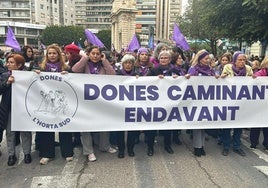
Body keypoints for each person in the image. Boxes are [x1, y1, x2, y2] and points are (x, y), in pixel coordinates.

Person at [72, 46, 117, 162]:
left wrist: (105, 61)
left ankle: (104, 146)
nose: (96, 56)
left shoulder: (103, 65)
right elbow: (74, 70)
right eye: (93, 53)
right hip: (85, 101)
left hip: (101, 101)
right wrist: (84, 59)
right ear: (89, 54)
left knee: (104, 124)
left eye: (98, 54)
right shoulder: (84, 65)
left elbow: (113, 75)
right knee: (85, 126)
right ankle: (89, 151)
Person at [36, 44, 74, 165]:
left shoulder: (66, 68)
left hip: (62, 101)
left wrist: (69, 76)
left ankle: (67, 152)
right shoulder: (41, 68)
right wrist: (34, 75)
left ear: (59, 55)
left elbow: (74, 82)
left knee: (64, 126)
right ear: (46, 55)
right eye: (50, 53)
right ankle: (47, 153)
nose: (52, 55)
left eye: (54, 53)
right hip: (48, 101)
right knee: (46, 126)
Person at [0, 54, 32, 166]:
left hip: (23, 108)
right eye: (8, 62)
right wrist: (7, 83)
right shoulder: (4, 76)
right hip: (9, 109)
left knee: (25, 132)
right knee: (10, 132)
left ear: (19, 65)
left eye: (12, 62)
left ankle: (27, 153)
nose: (8, 64)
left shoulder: (27, 75)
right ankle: (11, 155)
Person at [220, 51, 253, 156]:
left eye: (244, 60)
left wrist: (255, 78)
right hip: (229, 101)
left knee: (239, 125)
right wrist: (222, 78)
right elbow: (221, 82)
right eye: (240, 60)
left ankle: (237, 146)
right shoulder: (228, 68)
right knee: (227, 125)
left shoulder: (248, 69)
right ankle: (225, 146)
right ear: (234, 60)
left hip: (242, 102)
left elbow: (254, 82)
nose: (242, 62)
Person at [185, 49, 216, 157]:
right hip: (195, 100)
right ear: (200, 59)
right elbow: (187, 82)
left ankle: (202, 146)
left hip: (206, 100)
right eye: (206, 58)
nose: (208, 60)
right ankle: (197, 147)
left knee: (204, 124)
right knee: (197, 124)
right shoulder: (193, 69)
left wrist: (218, 78)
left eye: (209, 59)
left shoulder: (211, 70)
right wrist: (187, 78)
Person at [147, 50, 175, 154]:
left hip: (168, 102)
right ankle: (150, 147)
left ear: (169, 59)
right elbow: (145, 81)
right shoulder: (154, 70)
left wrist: (176, 78)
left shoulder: (174, 70)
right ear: (159, 59)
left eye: (166, 58)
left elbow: (183, 78)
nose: (163, 59)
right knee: (152, 126)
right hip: (155, 102)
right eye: (162, 58)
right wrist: (155, 79)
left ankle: (167, 145)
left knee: (168, 125)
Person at [116, 54, 139, 158]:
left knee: (132, 129)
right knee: (120, 130)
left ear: (133, 64)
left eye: (130, 63)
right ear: (123, 64)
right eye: (126, 63)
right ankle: (121, 149)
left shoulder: (137, 75)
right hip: (120, 107)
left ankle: (130, 148)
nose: (128, 65)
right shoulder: (117, 75)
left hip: (133, 106)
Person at [133, 47, 155, 156]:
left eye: (146, 55)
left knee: (150, 122)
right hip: (137, 99)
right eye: (142, 54)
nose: (144, 56)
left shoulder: (153, 68)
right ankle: (136, 136)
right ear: (139, 56)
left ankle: (150, 146)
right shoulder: (133, 67)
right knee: (137, 119)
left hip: (150, 99)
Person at [64, 43, 82, 147]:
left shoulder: (75, 64)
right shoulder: (66, 64)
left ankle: (77, 137)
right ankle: (76, 136)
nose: (66, 55)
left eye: (67, 53)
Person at [250, 56, 268, 150]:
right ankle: (253, 142)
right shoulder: (260, 73)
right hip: (258, 104)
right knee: (256, 123)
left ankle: (267, 143)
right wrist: (254, 78)